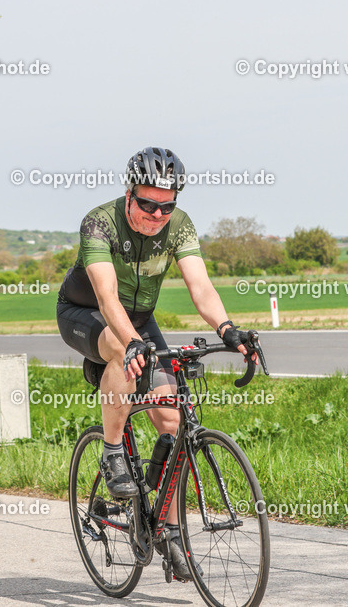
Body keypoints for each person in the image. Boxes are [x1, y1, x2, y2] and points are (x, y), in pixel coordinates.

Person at [56, 146, 255, 580]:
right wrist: (130, 343)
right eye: (147, 204)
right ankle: (111, 452)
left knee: (171, 419)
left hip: (140, 320)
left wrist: (227, 329)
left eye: (166, 206)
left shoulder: (178, 226)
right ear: (129, 193)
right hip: (85, 313)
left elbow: (200, 285)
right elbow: (107, 297)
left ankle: (165, 526)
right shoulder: (99, 222)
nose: (156, 214)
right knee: (117, 348)